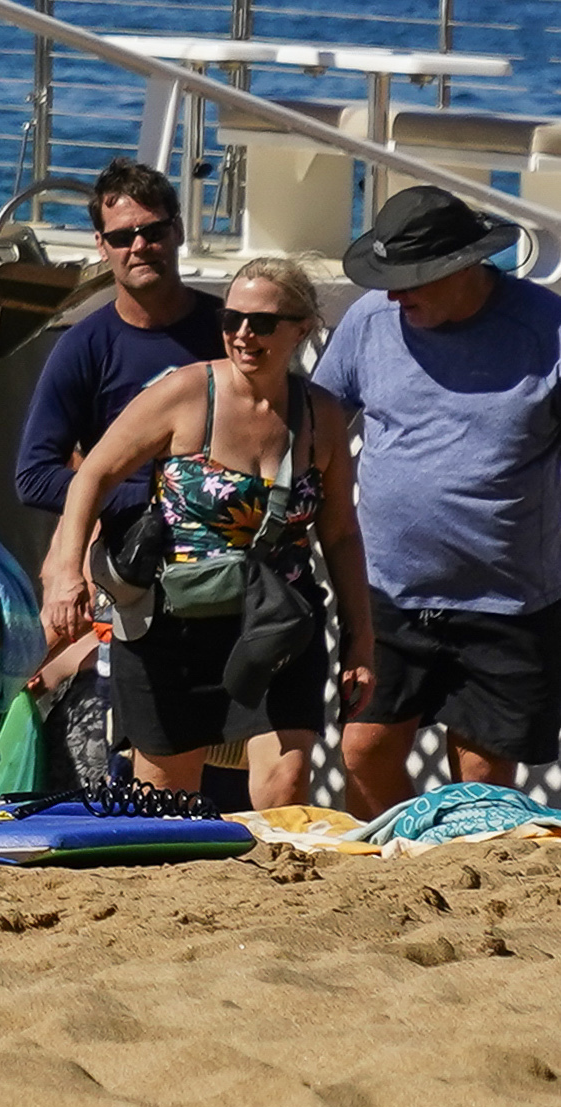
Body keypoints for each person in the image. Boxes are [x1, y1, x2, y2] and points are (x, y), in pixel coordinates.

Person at [44, 257, 372, 811]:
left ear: (302, 328)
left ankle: (277, 894)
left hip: (277, 623)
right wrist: (64, 572)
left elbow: (339, 534)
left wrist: (360, 639)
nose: (243, 334)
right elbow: (93, 474)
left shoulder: (322, 417)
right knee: (166, 803)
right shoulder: (186, 394)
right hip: (175, 627)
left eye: (262, 323)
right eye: (232, 318)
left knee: (286, 789)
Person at [313, 183, 561, 811]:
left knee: (479, 779)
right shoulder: (370, 321)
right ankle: (400, 865)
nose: (394, 293)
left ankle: (452, 888)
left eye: (411, 278)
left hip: (507, 601)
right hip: (388, 593)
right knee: (363, 751)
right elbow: (316, 430)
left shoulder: (547, 330)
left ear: (463, 267)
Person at [11, 159, 225, 791]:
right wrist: (156, 497)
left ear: (178, 232)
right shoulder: (85, 345)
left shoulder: (230, 333)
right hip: (138, 578)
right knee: (148, 740)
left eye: (153, 230)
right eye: (122, 235)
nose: (140, 245)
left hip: (233, 573)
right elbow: (34, 474)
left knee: (235, 752)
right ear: (100, 247)